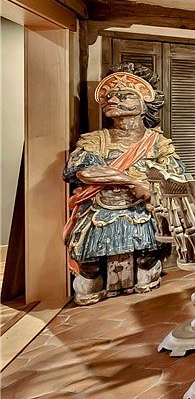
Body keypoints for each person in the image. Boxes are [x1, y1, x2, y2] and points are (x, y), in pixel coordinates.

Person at [64, 63, 184, 305]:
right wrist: (131, 180)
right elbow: (84, 171)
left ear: (144, 105)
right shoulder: (96, 139)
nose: (113, 100)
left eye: (125, 96)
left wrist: (151, 188)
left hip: (142, 208)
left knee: (147, 260)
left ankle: (149, 266)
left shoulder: (157, 142)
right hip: (102, 207)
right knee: (89, 274)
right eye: (109, 96)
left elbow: (175, 176)